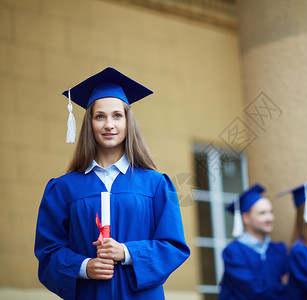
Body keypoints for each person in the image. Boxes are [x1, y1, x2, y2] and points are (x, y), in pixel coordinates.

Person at [34, 67, 190, 300]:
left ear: (128, 122)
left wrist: (127, 252)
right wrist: (84, 267)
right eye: (100, 116)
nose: (109, 124)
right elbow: (48, 252)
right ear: (90, 124)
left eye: (117, 115)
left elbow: (173, 247)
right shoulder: (64, 189)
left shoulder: (156, 184)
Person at [219, 183, 289, 300]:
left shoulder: (279, 249)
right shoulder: (233, 252)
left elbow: (290, 288)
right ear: (245, 218)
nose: (269, 218)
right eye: (262, 213)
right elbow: (252, 292)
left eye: (270, 212)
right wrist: (280, 288)